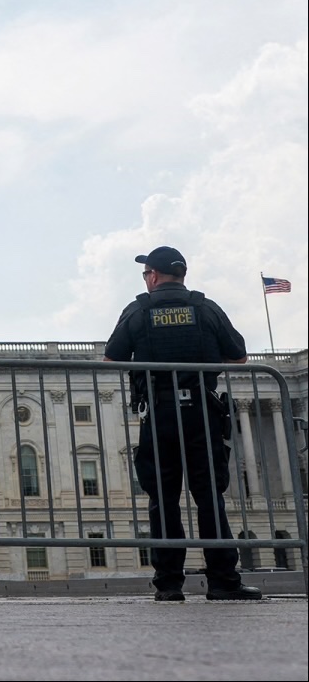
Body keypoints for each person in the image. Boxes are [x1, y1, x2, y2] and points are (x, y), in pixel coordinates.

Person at [103, 246, 261, 603]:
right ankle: (223, 581)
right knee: (209, 498)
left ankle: (169, 584)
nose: (146, 279)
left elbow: (112, 357)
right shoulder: (205, 308)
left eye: (146, 274)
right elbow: (239, 356)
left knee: (163, 500)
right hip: (202, 413)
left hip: (159, 415)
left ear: (154, 276)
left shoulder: (138, 310)